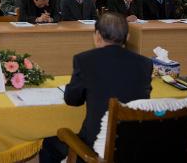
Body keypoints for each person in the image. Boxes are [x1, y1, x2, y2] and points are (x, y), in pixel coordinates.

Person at [39, 12, 152, 163]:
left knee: (49, 143)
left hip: (95, 148)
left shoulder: (85, 60)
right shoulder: (145, 64)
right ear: (128, 37)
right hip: (134, 145)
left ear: (97, 36)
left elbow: (72, 100)